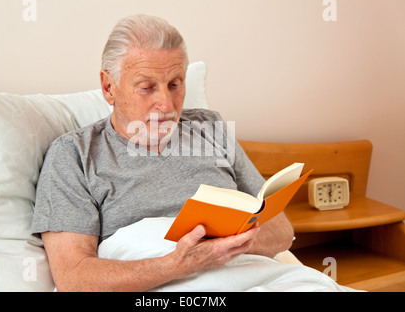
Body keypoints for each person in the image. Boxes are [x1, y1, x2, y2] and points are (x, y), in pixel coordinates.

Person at [31, 14, 294, 292]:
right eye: (147, 88)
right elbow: (74, 278)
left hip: (250, 276)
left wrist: (231, 243)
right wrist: (178, 264)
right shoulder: (74, 155)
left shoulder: (210, 128)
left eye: (175, 84)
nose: (166, 104)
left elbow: (282, 232)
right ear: (109, 88)